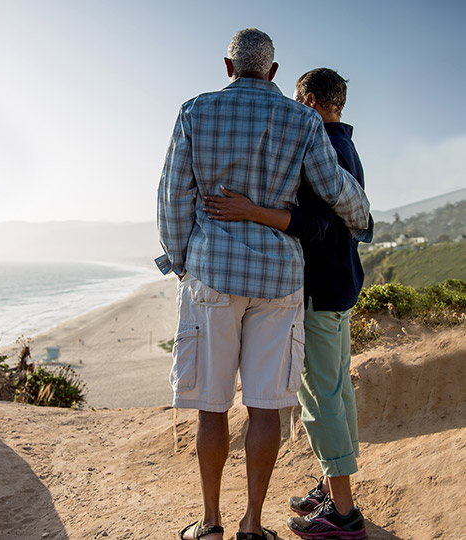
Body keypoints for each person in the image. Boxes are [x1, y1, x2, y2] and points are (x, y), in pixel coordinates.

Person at [156, 29, 370, 540]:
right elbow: (334, 188)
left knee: (212, 406)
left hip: (213, 274)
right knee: (265, 406)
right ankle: (253, 525)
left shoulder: (194, 111)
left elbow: (170, 197)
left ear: (229, 67)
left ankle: (210, 525)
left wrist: (185, 262)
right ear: (273, 73)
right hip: (278, 282)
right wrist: (362, 218)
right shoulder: (301, 119)